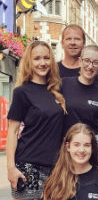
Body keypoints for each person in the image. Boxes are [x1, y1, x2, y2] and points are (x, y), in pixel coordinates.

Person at [6, 41, 66, 199]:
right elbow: (12, 132)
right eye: (37, 58)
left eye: (46, 58)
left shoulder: (56, 91)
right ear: (29, 62)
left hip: (56, 167)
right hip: (28, 166)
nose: (42, 63)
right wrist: (11, 168)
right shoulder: (22, 92)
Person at [61, 44, 98, 170]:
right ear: (80, 61)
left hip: (94, 148)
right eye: (87, 61)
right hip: (70, 148)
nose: (90, 66)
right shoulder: (64, 84)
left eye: (95, 63)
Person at [43, 123, 98, 200]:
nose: (81, 150)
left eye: (87, 145)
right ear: (68, 147)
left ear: (92, 148)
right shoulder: (56, 179)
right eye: (76, 145)